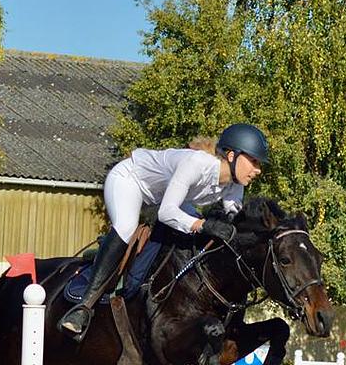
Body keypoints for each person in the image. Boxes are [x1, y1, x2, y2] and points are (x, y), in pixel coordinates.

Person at [58, 123, 270, 341]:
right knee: (126, 227)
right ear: (232, 155)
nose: (258, 170)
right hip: (131, 181)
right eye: (253, 161)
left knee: (195, 236)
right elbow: (167, 213)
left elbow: (234, 219)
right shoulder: (196, 164)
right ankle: (83, 307)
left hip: (163, 199)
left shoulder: (235, 184)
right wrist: (203, 225)